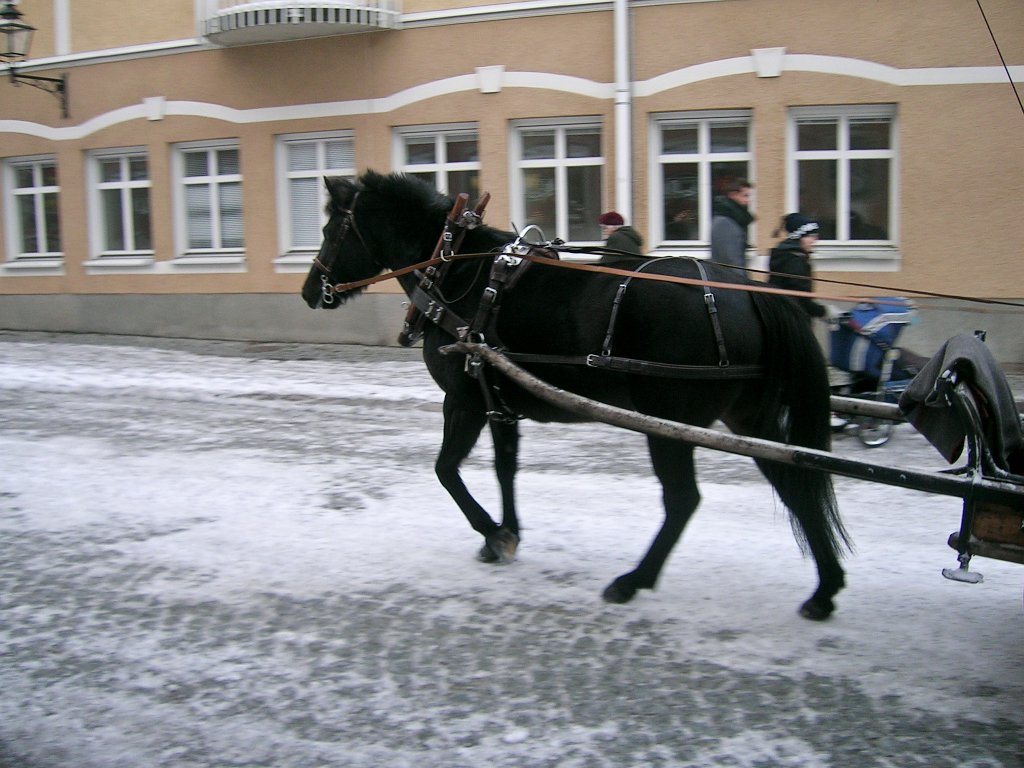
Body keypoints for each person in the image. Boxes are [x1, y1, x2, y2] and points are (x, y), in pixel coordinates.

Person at [767, 212, 829, 320]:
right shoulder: (795, 261)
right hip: (792, 320)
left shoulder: (784, 255)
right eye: (810, 236)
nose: (814, 240)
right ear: (798, 237)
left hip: (780, 316)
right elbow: (801, 299)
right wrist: (824, 312)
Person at [710, 179, 754, 269]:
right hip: (728, 275)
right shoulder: (725, 222)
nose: (748, 201)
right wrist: (740, 277)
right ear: (733, 195)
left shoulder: (732, 218)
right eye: (745, 196)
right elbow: (732, 260)